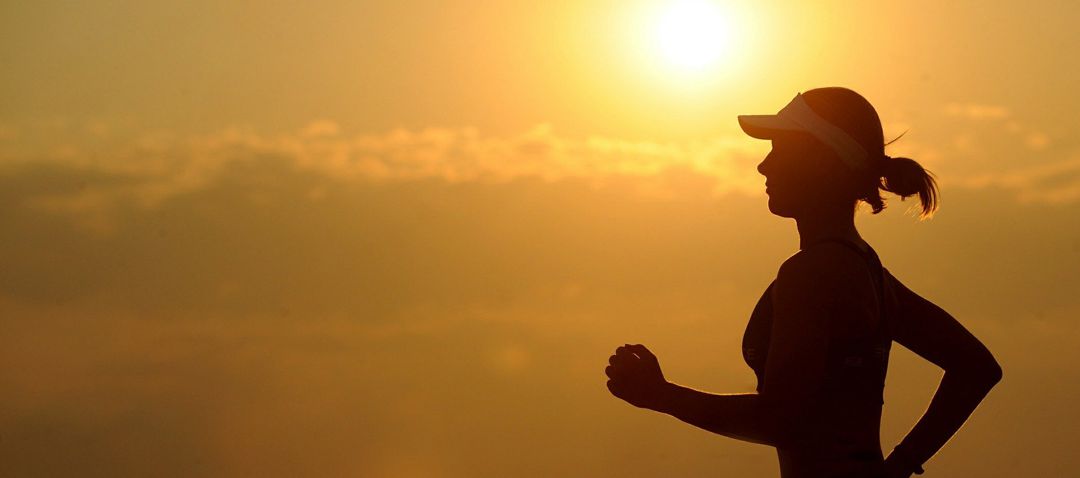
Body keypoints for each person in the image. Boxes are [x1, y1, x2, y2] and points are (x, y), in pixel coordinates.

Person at [604, 87, 1003, 478]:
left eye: (779, 148)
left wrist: (663, 396)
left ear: (821, 160)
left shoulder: (811, 273)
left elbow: (781, 419)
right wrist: (898, 466)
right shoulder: (867, 269)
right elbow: (976, 367)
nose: (764, 165)